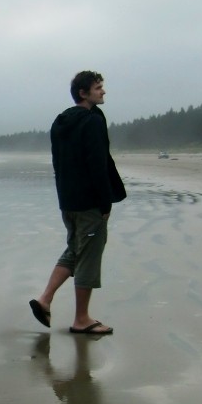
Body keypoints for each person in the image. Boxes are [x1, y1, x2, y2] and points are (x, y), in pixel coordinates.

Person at [30, 70, 126, 335]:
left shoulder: (60, 122)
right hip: (89, 202)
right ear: (84, 93)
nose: (103, 91)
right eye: (98, 87)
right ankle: (81, 319)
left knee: (75, 249)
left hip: (68, 201)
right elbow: (97, 164)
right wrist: (105, 203)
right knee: (89, 256)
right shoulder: (91, 122)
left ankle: (44, 299)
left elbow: (58, 163)